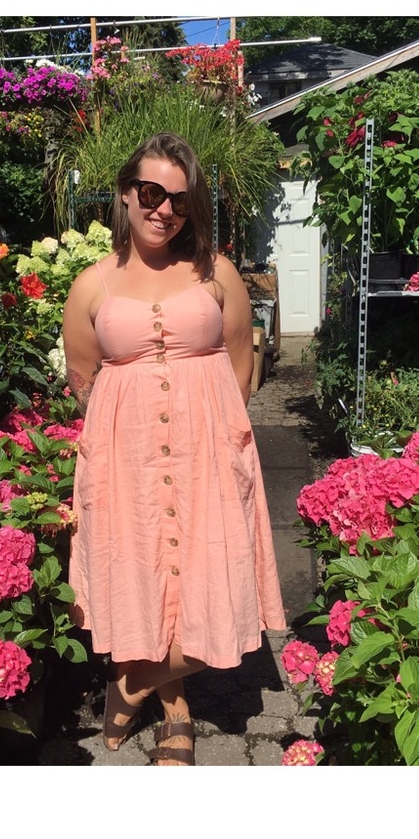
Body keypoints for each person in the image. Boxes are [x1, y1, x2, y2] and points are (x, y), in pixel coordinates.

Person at [62, 131, 286, 766]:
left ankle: (130, 685)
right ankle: (176, 710)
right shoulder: (92, 284)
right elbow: (84, 376)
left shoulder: (216, 274)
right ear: (125, 195)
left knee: (213, 573)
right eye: (152, 193)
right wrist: (124, 434)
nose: (164, 210)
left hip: (208, 449)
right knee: (144, 572)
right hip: (124, 457)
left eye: (180, 201)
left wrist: (211, 432)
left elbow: (242, 368)